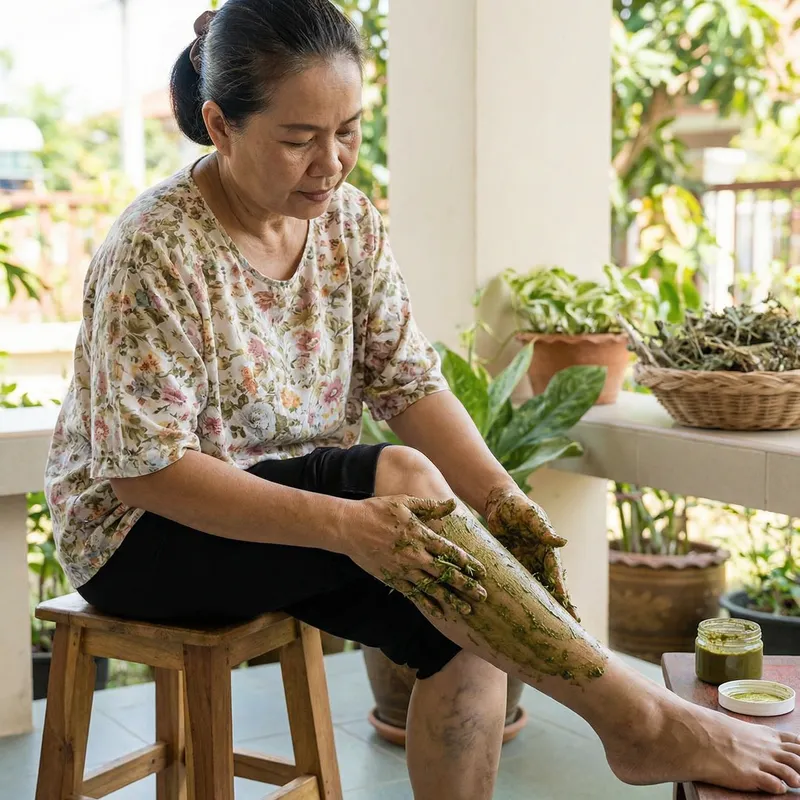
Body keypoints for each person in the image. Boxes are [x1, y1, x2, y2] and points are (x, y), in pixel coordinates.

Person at [44, 1, 800, 797]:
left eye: (349, 130)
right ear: (220, 125)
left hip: (291, 519)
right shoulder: (155, 246)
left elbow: (408, 381)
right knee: (398, 480)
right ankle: (639, 722)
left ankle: (632, 721)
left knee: (468, 622)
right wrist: (351, 526)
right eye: (298, 139)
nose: (330, 164)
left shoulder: (350, 226)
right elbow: (144, 473)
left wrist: (501, 502)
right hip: (144, 536)